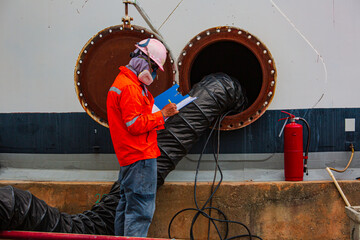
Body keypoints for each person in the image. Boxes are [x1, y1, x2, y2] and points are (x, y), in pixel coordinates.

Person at [106, 38, 179, 237]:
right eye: (154, 67)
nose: (154, 73)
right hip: (139, 156)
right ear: (143, 61)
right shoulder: (130, 88)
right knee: (140, 210)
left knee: (127, 206)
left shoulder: (128, 83)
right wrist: (162, 114)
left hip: (130, 155)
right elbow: (135, 125)